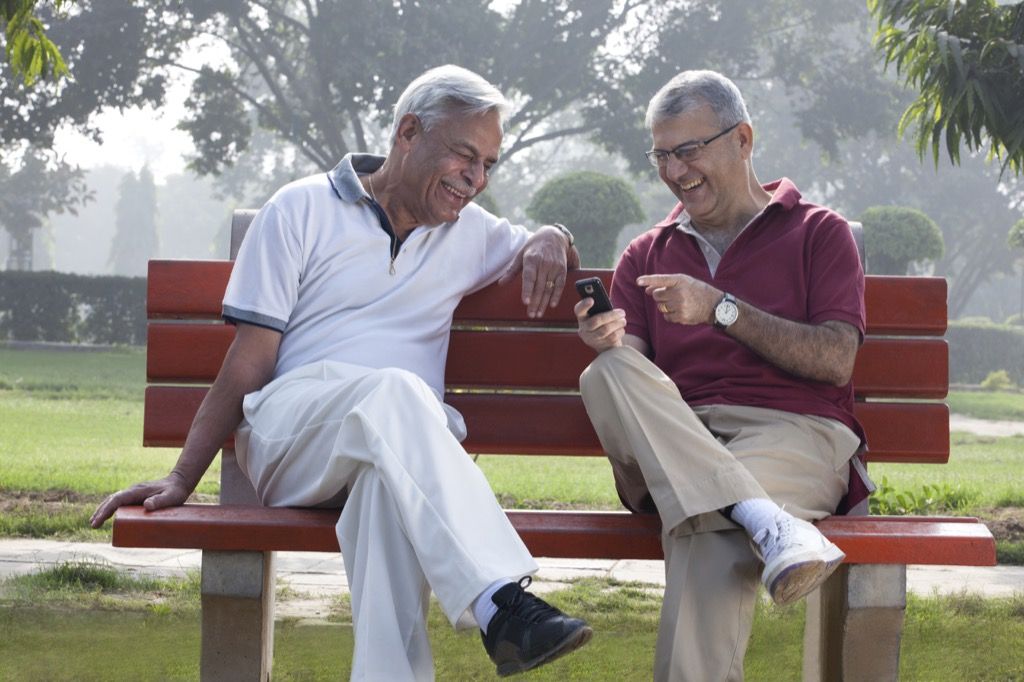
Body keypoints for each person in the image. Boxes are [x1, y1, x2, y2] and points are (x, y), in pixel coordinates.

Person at [91, 64, 592, 680]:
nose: (477, 179)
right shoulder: (300, 208)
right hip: (291, 437)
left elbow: (543, 243)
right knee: (397, 390)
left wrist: (551, 233)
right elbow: (249, 360)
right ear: (408, 132)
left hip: (393, 454)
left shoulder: (468, 232)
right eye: (465, 155)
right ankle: (498, 601)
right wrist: (180, 476)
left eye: (489, 164)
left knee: (387, 496)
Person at [574, 70, 869, 681]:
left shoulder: (820, 232)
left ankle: (744, 510)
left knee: (708, 530)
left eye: (689, 150)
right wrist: (607, 341)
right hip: (678, 438)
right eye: (661, 154)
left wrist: (720, 309)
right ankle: (767, 519)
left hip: (793, 431)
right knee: (604, 375)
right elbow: (630, 377)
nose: (675, 171)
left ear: (743, 139)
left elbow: (837, 360)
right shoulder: (645, 253)